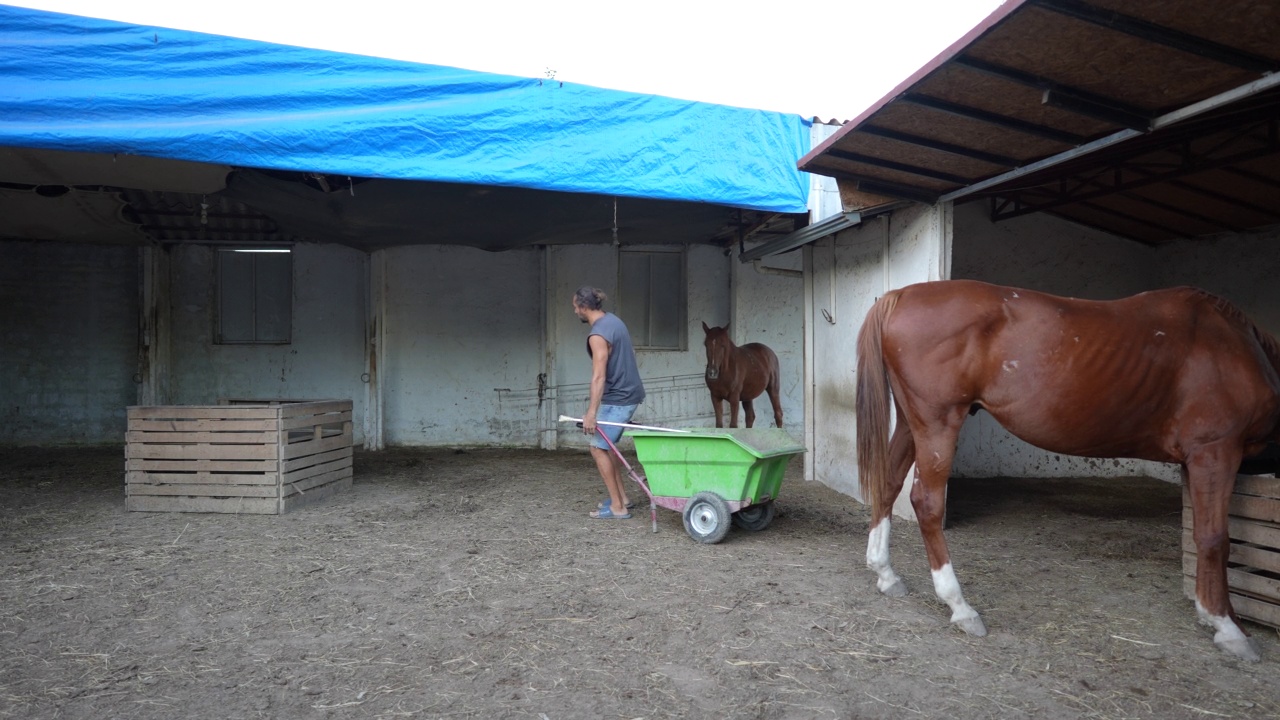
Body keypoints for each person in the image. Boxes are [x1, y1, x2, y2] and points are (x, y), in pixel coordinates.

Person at [572, 286, 645, 519]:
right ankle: (621, 498)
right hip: (629, 392)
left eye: (575, 307)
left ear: (584, 307)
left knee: (597, 448)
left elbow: (598, 376)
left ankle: (618, 508)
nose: (575, 312)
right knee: (608, 445)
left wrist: (591, 413)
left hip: (619, 398)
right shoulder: (613, 321)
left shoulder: (597, 335)